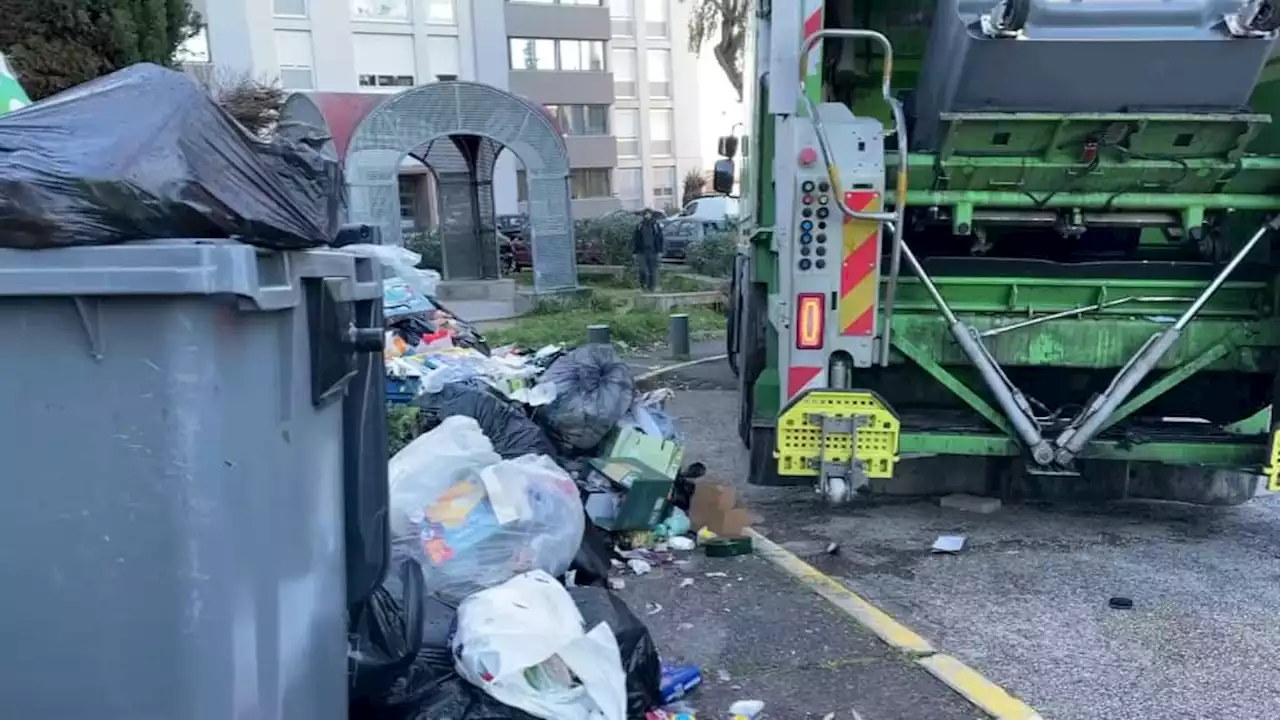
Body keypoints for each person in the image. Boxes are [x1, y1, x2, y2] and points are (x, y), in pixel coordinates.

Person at [632, 210, 664, 292]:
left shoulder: (656, 225)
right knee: (643, 270)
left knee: (652, 270)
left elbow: (660, 239)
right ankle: (643, 286)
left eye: (648, 214)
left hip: (653, 251)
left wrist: (660, 251)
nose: (647, 216)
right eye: (645, 214)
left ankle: (651, 288)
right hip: (642, 252)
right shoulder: (639, 226)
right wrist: (635, 252)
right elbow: (636, 239)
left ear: (651, 215)